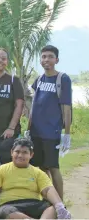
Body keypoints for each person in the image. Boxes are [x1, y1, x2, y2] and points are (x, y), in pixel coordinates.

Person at [27, 45, 72, 200]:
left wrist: (67, 134)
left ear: (56, 60)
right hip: (35, 132)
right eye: (43, 56)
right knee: (40, 167)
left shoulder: (62, 79)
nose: (46, 60)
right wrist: (28, 127)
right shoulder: (39, 80)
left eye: (50, 57)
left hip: (51, 132)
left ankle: (60, 204)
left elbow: (66, 107)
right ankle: (48, 201)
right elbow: (33, 104)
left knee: (53, 167)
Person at [0, 138, 71, 219]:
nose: (20, 155)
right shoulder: (0, 170)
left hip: (34, 204)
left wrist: (59, 205)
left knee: (53, 209)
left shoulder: (38, 173)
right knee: (4, 211)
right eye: (17, 152)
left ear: (31, 155)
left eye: (25, 152)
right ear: (12, 152)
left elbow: (48, 189)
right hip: (9, 205)